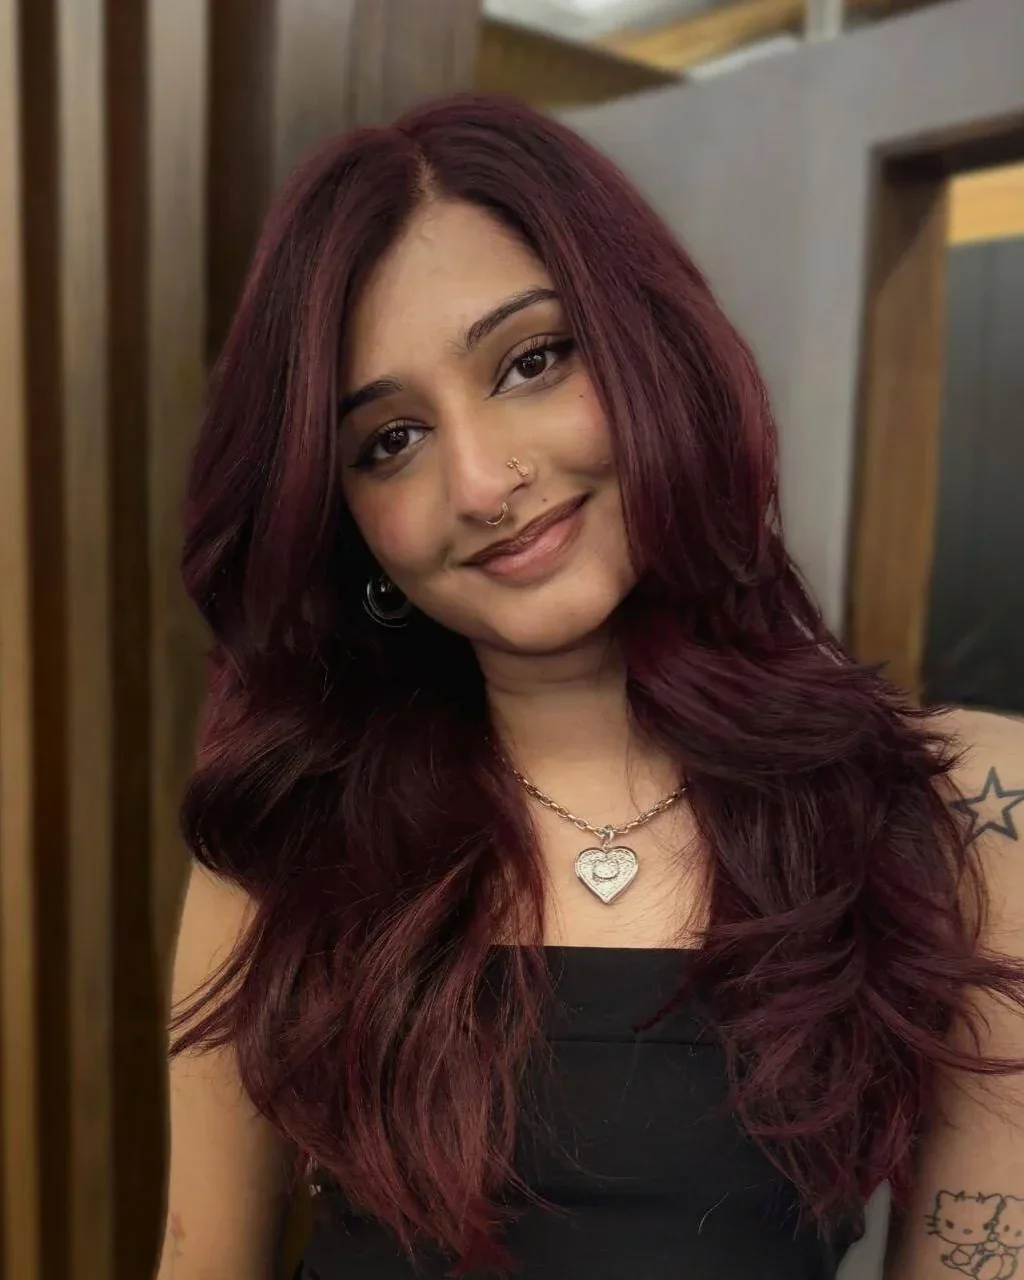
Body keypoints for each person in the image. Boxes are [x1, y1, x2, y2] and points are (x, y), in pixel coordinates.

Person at [156, 94, 1024, 1280]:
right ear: (346, 519)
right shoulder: (284, 835)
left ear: (648, 347)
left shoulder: (967, 808)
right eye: (388, 442)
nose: (481, 480)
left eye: (530, 360)